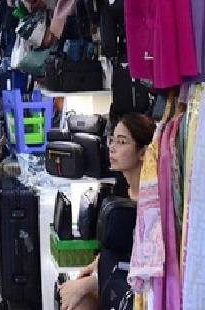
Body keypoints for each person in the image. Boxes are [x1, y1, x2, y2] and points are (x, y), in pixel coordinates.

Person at [59, 113, 156, 310]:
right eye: (112, 140)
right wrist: (95, 267)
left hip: (138, 289)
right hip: (113, 280)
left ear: (143, 152)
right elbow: (112, 249)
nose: (112, 148)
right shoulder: (120, 189)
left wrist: (90, 282)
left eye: (121, 142)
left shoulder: (153, 203)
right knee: (74, 302)